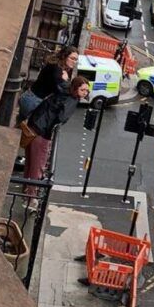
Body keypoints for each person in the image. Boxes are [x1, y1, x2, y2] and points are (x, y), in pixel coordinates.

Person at [23, 76, 90, 210]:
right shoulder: (72, 101)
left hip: (33, 125)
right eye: (83, 90)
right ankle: (31, 199)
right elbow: (61, 118)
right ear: (76, 89)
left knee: (30, 162)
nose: (85, 93)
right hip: (43, 133)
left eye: (87, 91)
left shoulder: (62, 90)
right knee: (38, 166)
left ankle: (26, 191)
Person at [18, 46, 79, 123]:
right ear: (64, 56)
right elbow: (64, 90)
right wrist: (66, 79)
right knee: (28, 130)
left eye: (76, 60)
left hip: (30, 97)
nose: (74, 62)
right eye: (72, 58)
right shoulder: (57, 70)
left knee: (21, 127)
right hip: (34, 102)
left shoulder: (56, 66)